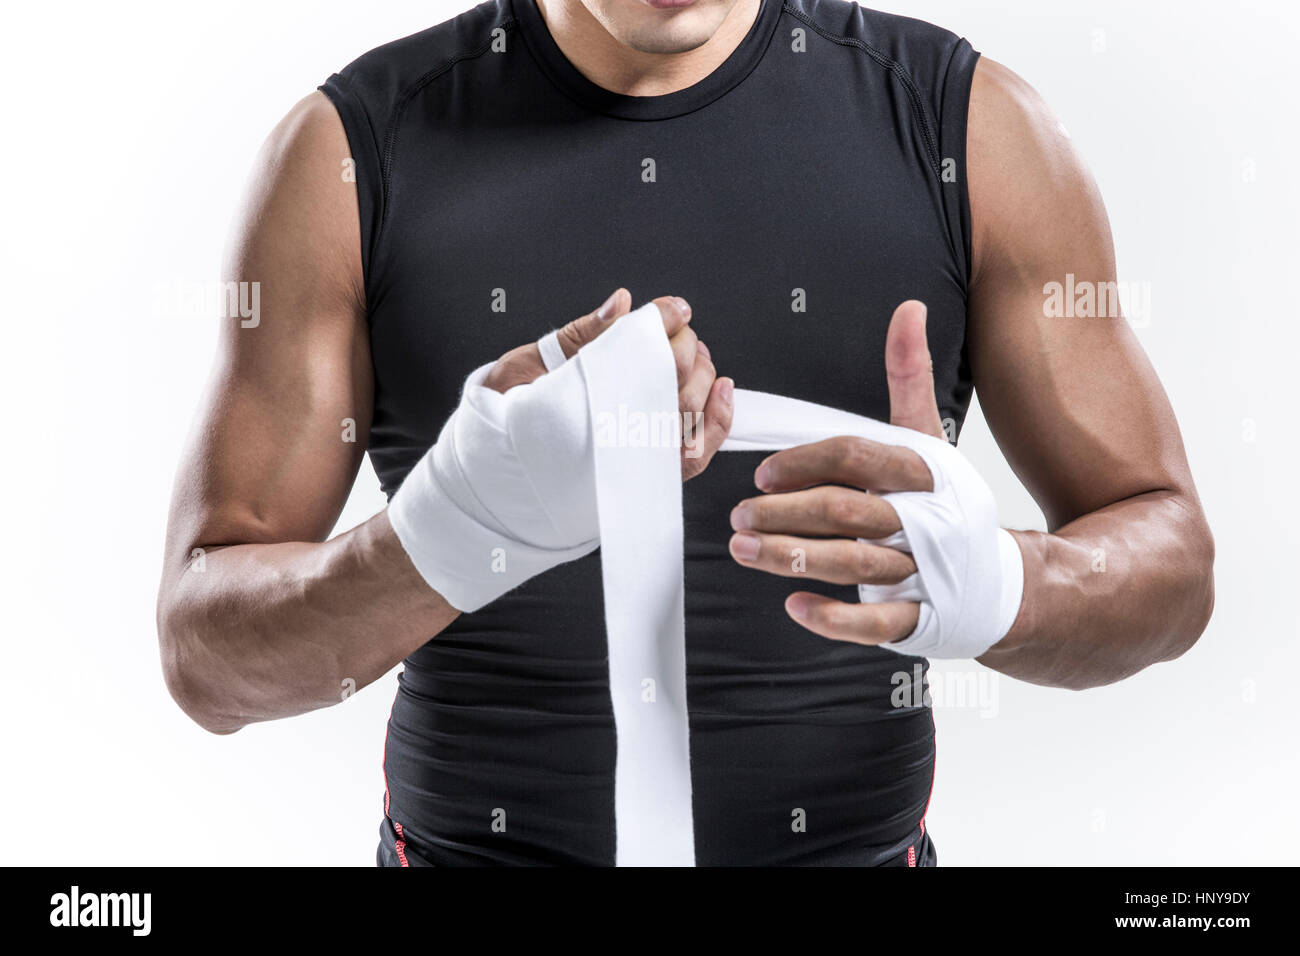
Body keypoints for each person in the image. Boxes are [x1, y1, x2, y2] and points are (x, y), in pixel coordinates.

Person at [156, 0, 1214, 866]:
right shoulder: (348, 154)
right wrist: (451, 529)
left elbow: (1172, 559)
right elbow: (204, 653)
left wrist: (1000, 582)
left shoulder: (969, 129)